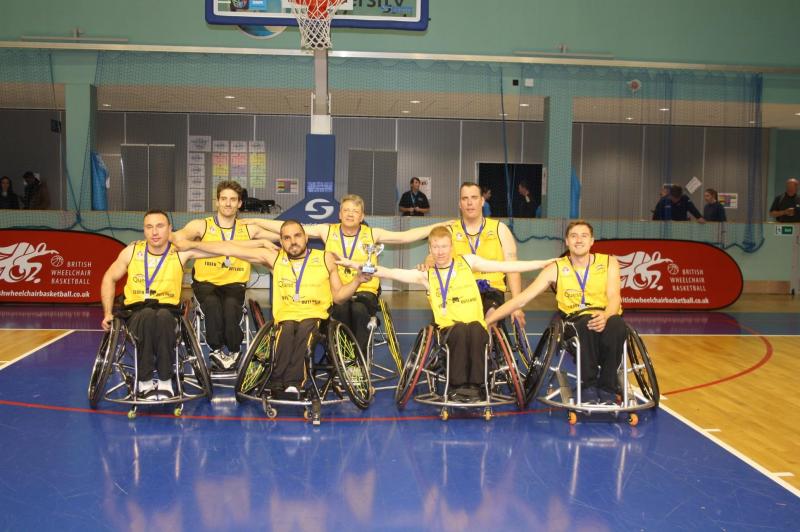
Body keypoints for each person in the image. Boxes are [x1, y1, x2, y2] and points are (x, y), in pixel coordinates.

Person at [336, 226, 554, 402]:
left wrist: (542, 263)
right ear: (429, 250)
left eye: (444, 247)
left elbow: (505, 265)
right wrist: (353, 264)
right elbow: (390, 272)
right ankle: (458, 386)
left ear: (451, 247)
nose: (440, 251)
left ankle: (477, 385)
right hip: (447, 328)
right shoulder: (426, 275)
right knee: (460, 330)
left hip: (474, 324)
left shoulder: (468, 262)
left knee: (477, 331)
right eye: (435, 247)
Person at [241, 194, 449, 355]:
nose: (350, 214)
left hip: (364, 291)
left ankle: (356, 360)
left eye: (355, 211)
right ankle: (338, 359)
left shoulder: (372, 234)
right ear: (339, 214)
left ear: (362, 216)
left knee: (358, 311)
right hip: (336, 291)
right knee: (339, 312)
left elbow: (405, 237)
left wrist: (439, 226)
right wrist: (256, 221)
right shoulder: (327, 230)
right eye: (346, 210)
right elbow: (288, 228)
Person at [175, 220, 365, 395]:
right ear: (281, 242)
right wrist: (192, 245)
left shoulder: (326, 258)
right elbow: (229, 248)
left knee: (305, 329)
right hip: (285, 317)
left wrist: (357, 280)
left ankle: (293, 383)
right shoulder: (274, 258)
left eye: (297, 236)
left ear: (306, 237)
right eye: (287, 238)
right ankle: (276, 381)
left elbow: (339, 297)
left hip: (315, 317)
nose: (293, 242)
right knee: (287, 329)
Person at [486, 220, 624, 405]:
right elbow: (522, 298)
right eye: (573, 236)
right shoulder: (556, 268)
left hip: (606, 314)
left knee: (618, 326)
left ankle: (608, 387)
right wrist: (488, 320)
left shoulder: (609, 262)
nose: (579, 240)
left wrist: (606, 316)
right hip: (574, 320)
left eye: (584, 236)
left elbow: (615, 296)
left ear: (592, 241)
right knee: (585, 325)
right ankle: (589, 385)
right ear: (567, 241)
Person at [100, 210, 225, 400]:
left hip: (168, 310)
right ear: (144, 230)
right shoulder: (132, 251)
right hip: (137, 310)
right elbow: (109, 278)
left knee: (164, 317)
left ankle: (166, 381)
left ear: (169, 229)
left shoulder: (179, 253)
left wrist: (189, 243)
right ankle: (145, 382)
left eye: (159, 226)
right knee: (148, 316)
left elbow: (219, 248)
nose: (154, 232)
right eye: (149, 227)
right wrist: (107, 313)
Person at [171, 180, 277, 371]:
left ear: (239, 204)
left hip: (234, 284)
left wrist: (258, 224)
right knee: (212, 304)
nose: (228, 203)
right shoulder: (201, 226)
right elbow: (177, 238)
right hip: (206, 283)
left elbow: (281, 234)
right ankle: (217, 350)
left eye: (233, 199)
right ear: (217, 202)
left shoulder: (248, 229)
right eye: (224, 199)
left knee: (230, 306)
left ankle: (235, 351)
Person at [448, 182, 528, 328]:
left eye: (474, 197)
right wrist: (427, 261)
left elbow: (513, 268)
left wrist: (517, 304)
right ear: (460, 204)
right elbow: (435, 258)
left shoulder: (500, 229)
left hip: (491, 289)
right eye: (465, 198)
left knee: (491, 316)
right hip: (461, 291)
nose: (470, 202)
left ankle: (488, 343)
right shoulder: (450, 231)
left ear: (482, 201)